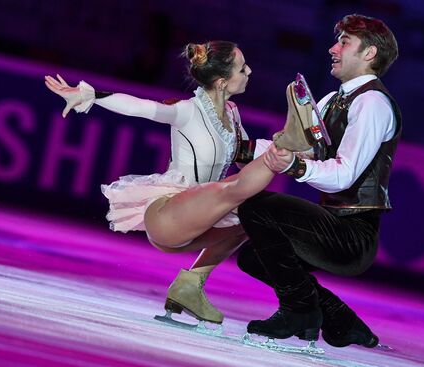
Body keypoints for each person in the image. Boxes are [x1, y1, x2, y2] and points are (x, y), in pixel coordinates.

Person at [45, 41, 260, 326]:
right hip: (169, 217)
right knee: (236, 192)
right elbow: (140, 107)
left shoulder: (232, 114)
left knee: (254, 216)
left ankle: (191, 285)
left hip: (200, 221)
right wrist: (91, 95)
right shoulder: (187, 111)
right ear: (222, 82)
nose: (249, 71)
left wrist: (295, 157)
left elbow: (248, 159)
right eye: (242, 68)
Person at [235, 13, 401, 348]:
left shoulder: (372, 103)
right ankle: (338, 318)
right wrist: (235, 147)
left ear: (369, 53)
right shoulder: (329, 101)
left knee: (258, 208)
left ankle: (300, 311)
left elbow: (343, 175)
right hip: (329, 225)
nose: (332, 48)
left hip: (353, 236)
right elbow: (289, 148)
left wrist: (296, 167)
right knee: (252, 257)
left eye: (344, 42)